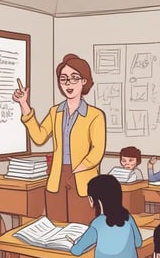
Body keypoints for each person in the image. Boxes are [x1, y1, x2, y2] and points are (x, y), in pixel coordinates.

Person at [12, 53, 106, 224]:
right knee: (56, 226)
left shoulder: (95, 115)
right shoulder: (55, 112)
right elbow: (39, 137)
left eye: (74, 78)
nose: (68, 83)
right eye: (63, 79)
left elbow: (97, 151)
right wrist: (24, 104)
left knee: (82, 226)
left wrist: (78, 168)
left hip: (83, 178)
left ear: (84, 81)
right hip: (57, 177)